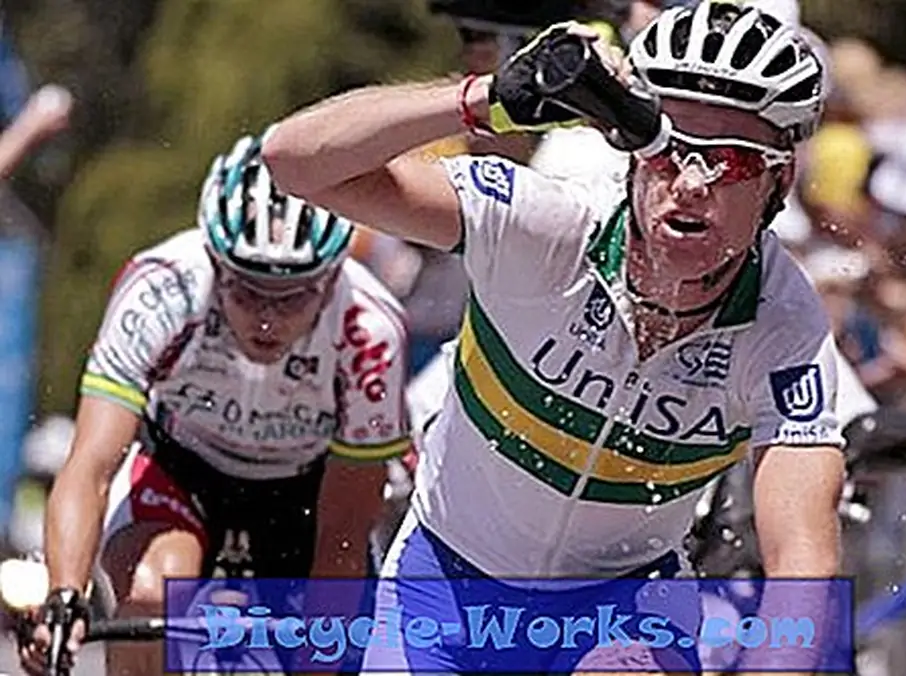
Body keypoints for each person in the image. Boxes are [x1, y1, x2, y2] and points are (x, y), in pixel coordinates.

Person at [264, 1, 845, 672]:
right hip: (445, 586)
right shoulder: (542, 228)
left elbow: (803, 564)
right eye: (667, 150)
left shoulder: (784, 325)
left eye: (730, 163)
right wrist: (486, 100)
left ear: (779, 180)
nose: (689, 184)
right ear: (631, 150)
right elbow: (293, 162)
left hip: (623, 607)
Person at [18, 133, 411, 676]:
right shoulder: (162, 289)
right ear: (214, 263)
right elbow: (91, 465)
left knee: (329, 646)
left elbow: (344, 526)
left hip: (308, 493)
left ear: (331, 279)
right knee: (151, 596)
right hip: (182, 473)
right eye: (247, 289)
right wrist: (64, 596)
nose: (267, 318)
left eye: (294, 295)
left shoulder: (370, 330)